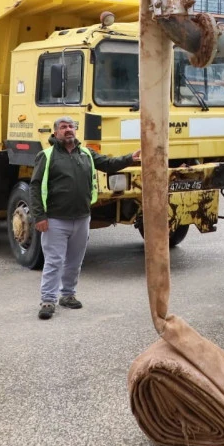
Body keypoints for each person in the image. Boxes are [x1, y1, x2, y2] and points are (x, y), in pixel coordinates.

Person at [30, 116, 139, 320]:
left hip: (82, 218)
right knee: (54, 261)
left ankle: (68, 295)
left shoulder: (86, 154)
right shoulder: (47, 155)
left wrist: (130, 158)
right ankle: (47, 300)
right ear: (55, 133)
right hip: (55, 219)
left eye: (71, 126)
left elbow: (108, 164)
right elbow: (35, 187)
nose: (68, 130)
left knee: (74, 260)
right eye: (63, 127)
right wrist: (39, 216)